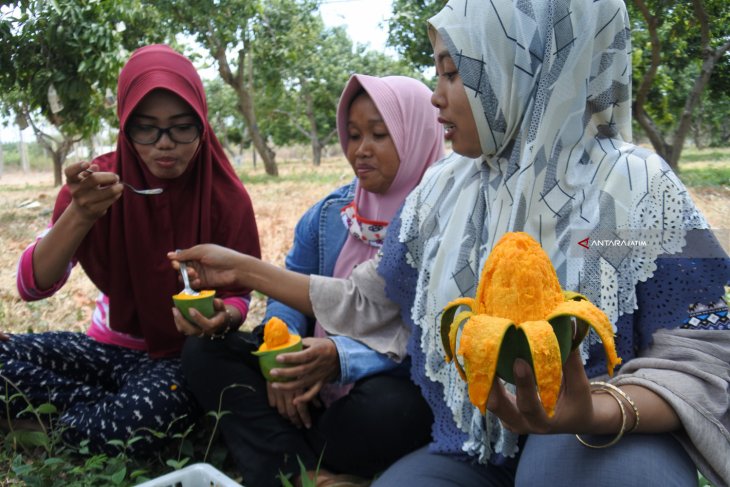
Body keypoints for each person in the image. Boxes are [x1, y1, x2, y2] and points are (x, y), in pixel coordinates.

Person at [171, 1, 730, 485]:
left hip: (603, 435)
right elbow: (371, 301)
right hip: (477, 447)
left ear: (528, 69)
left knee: (558, 467)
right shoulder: (443, 192)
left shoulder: (632, 192)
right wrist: (244, 270)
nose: (436, 97)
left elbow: (705, 348)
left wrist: (596, 410)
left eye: (453, 73)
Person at [181, 74, 444, 487]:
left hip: (376, 389)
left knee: (396, 408)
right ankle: (312, 475)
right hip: (312, 388)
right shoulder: (331, 212)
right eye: (353, 135)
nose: (361, 150)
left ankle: (286, 458)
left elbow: (424, 340)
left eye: (380, 134)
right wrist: (281, 354)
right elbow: (293, 282)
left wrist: (340, 358)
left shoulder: (440, 221)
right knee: (204, 352)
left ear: (416, 135)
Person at [3, 44, 261, 456]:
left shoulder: (227, 199)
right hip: (103, 349)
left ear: (203, 125)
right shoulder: (96, 187)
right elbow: (33, 287)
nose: (165, 144)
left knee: (146, 416)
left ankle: (49, 422)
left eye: (182, 127)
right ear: (125, 125)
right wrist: (80, 213)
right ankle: (92, 413)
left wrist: (227, 316)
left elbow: (240, 292)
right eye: (146, 127)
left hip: (178, 362)